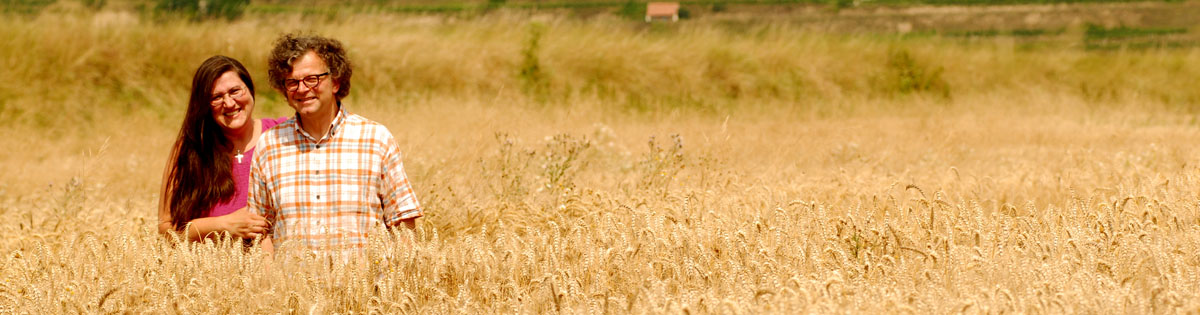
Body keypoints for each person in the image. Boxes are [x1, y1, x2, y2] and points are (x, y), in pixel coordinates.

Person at [249, 34, 422, 255]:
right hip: (292, 288)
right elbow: (260, 229)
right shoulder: (269, 144)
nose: (302, 89)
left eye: (312, 79)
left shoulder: (376, 139)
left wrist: (401, 279)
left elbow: (402, 221)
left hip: (367, 287)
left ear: (336, 82)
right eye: (292, 82)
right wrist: (268, 282)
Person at [158, 55, 288, 242]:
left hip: (277, 267)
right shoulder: (190, 150)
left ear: (250, 89)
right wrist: (224, 225)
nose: (228, 103)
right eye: (216, 97)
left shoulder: (282, 134)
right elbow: (166, 229)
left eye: (235, 91)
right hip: (213, 269)